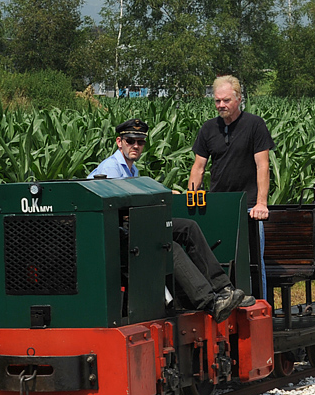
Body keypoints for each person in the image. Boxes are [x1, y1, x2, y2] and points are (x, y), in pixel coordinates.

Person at [89, 118, 253, 321]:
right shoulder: (110, 169)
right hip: (119, 238)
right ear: (119, 142)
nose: (136, 146)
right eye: (130, 141)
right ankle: (210, 302)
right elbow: (101, 207)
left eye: (140, 142)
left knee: (188, 227)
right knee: (169, 247)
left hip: (138, 229)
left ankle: (225, 289)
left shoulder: (131, 170)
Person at [187, 75, 274, 298]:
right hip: (218, 206)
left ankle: (258, 306)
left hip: (249, 206)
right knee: (215, 261)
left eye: (226, 100)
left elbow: (262, 166)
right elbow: (198, 168)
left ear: (238, 99)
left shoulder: (254, 125)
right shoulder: (208, 129)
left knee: (253, 261)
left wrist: (261, 203)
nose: (221, 105)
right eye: (217, 101)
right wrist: (192, 199)